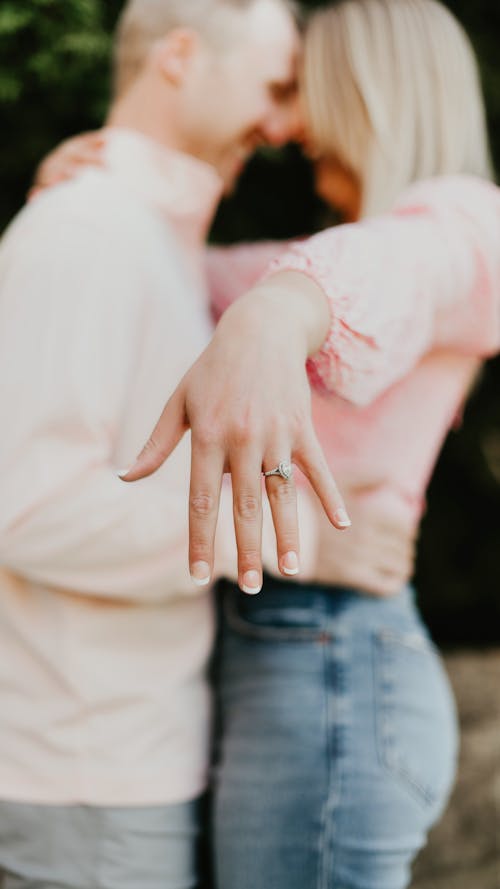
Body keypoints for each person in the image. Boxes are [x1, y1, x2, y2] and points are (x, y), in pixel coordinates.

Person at [118, 1, 500, 888]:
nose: (283, 126)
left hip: (332, 672)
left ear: (368, 93)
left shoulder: (468, 223)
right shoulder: (323, 248)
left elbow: (397, 270)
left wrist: (279, 314)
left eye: (300, 92)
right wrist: (113, 189)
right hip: (299, 664)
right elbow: (192, 278)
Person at [0, 2, 346, 887]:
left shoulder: (147, 238)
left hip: (126, 763)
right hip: (85, 777)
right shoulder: (86, 232)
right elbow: (28, 512)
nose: (282, 126)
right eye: (273, 88)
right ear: (181, 57)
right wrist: (297, 532)